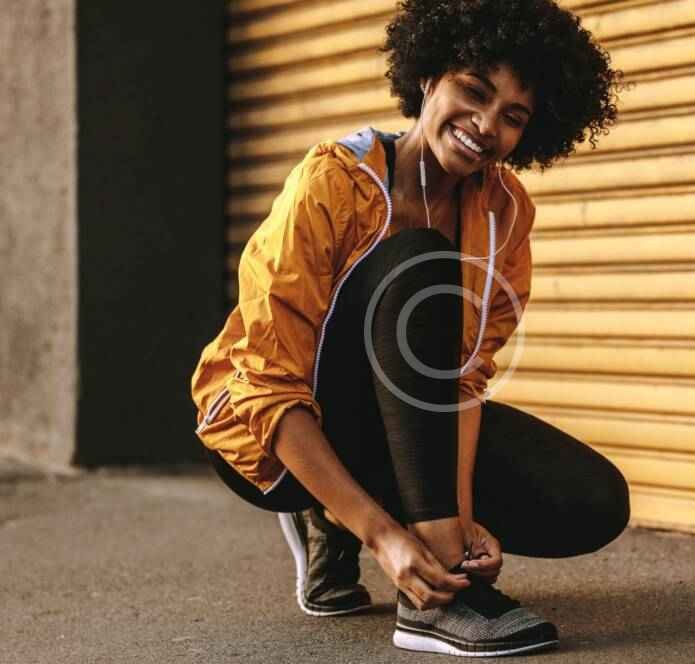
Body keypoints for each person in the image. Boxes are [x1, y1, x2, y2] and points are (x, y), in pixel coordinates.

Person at [191, 0, 628, 656]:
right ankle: (394, 573)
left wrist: (459, 520)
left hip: (397, 420)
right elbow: (267, 382)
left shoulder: (504, 213)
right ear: (427, 76)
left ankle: (409, 539)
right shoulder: (333, 181)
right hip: (267, 427)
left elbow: (462, 382)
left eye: (514, 117)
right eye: (474, 92)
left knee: (593, 500)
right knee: (421, 261)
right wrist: (384, 537)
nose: (487, 126)